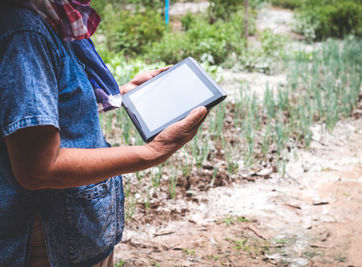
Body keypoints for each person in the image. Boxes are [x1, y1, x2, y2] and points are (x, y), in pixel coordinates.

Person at [0, 0, 208, 266]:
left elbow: (53, 103)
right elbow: (38, 168)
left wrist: (124, 92)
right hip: (51, 243)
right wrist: (152, 153)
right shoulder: (25, 32)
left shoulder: (50, 18)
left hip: (72, 233)